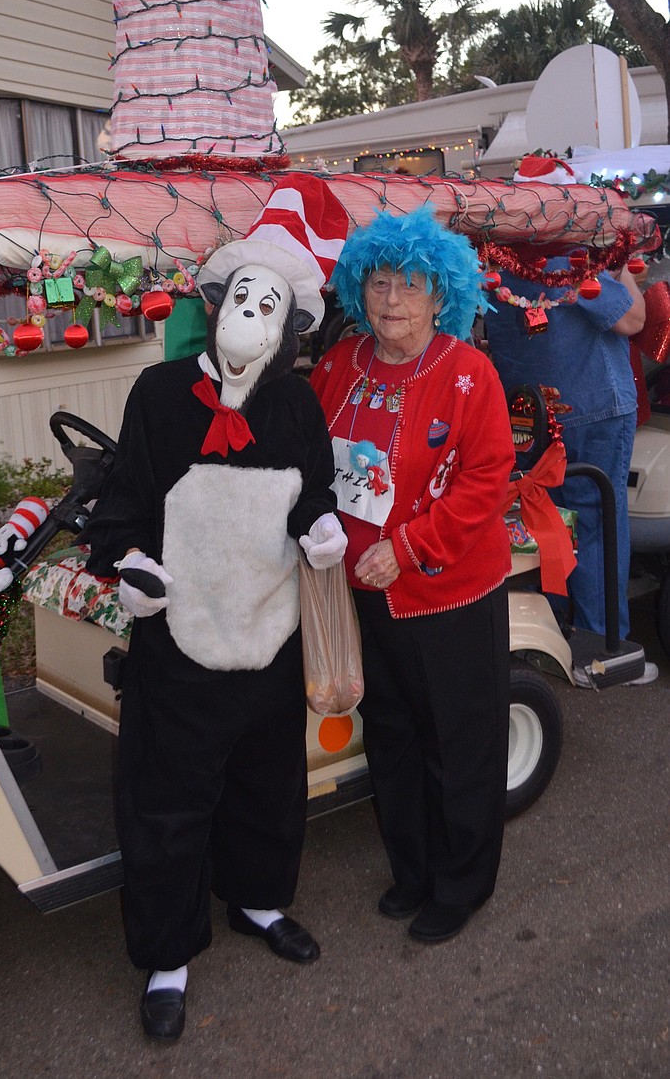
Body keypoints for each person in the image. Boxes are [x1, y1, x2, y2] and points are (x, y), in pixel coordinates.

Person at [84, 175, 349, 1041]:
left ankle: (262, 903)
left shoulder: (298, 403)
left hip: (268, 639)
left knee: (268, 787)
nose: (255, 314)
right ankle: (167, 954)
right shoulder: (158, 398)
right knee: (167, 799)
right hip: (182, 644)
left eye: (272, 303)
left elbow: (312, 495)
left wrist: (322, 533)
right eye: (245, 295)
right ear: (222, 301)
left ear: (287, 324)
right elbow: (121, 506)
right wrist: (128, 564)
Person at [309, 205, 514, 944]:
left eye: (411, 284)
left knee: (458, 743)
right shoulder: (338, 366)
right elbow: (311, 462)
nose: (392, 298)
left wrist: (409, 545)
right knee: (391, 737)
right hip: (362, 597)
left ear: (441, 294)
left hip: (446, 593)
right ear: (359, 289)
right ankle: (414, 869)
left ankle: (461, 884)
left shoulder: (469, 372)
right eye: (380, 281)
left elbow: (487, 479)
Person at [484, 257, 652, 676]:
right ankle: (604, 651)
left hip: (526, 412)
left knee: (546, 520)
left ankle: (552, 637)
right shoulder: (573, 258)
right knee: (598, 526)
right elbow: (633, 319)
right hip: (593, 406)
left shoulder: (492, 257)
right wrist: (624, 271)